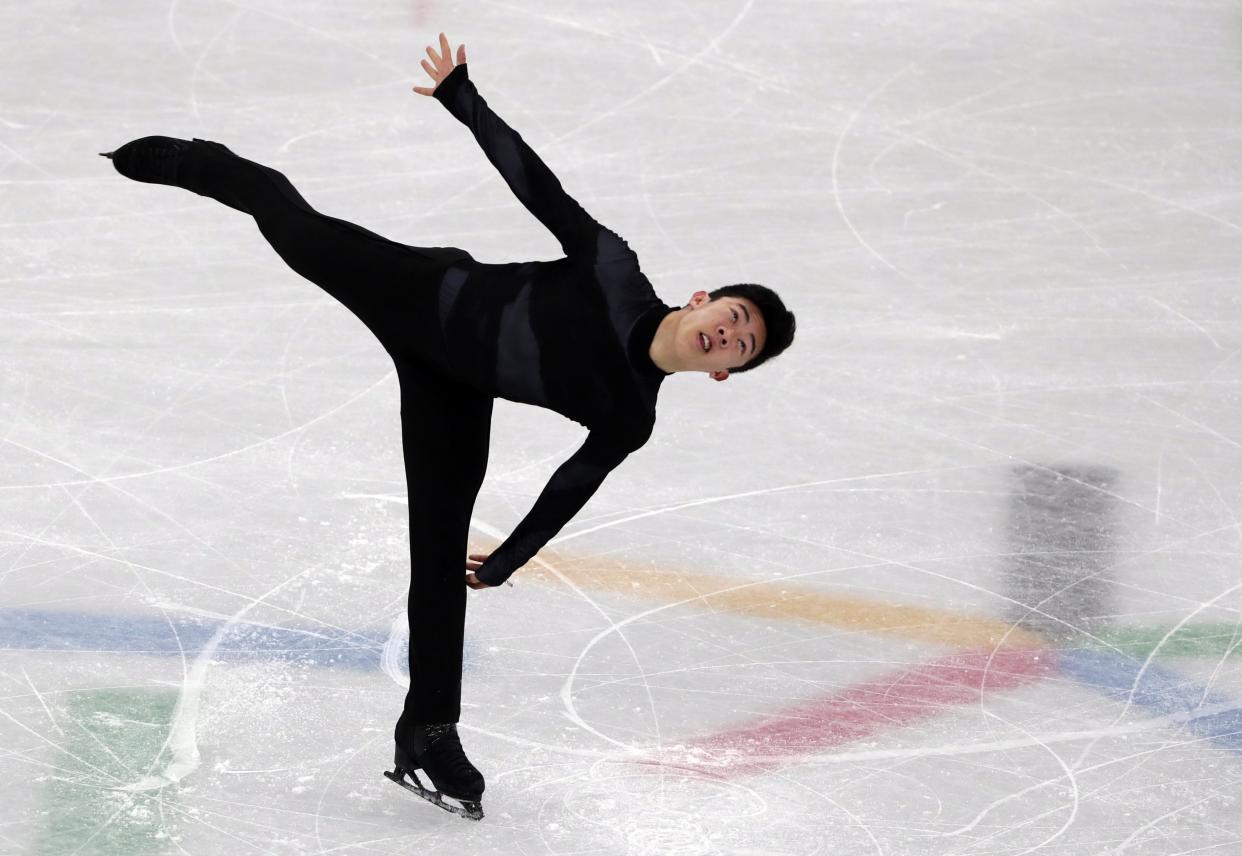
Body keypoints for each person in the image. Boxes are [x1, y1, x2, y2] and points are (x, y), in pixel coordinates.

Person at [101, 32, 796, 821]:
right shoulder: (614, 270)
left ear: (722, 373)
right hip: (418, 291)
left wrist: (507, 559)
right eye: (733, 317)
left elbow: (571, 484)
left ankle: (428, 729)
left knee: (439, 557)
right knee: (287, 218)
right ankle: (205, 164)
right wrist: (465, 101)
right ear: (703, 297)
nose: (728, 334)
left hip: (453, 390)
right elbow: (540, 189)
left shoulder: (630, 415)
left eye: (741, 347)